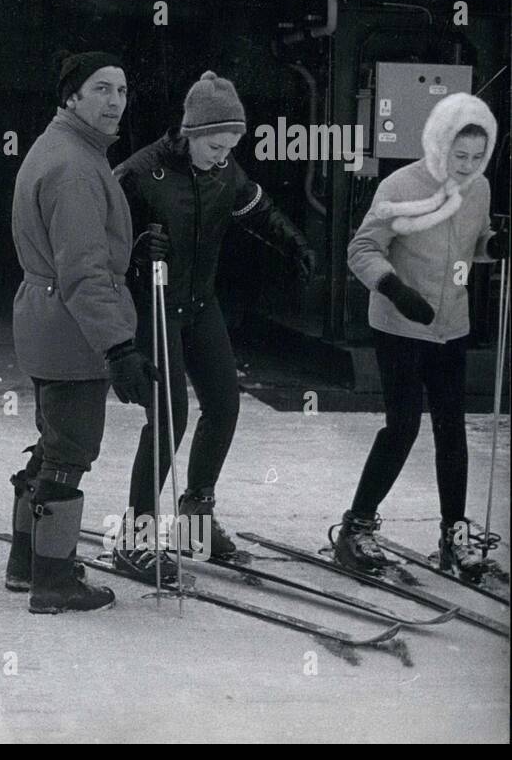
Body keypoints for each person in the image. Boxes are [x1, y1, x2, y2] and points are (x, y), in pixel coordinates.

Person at [113, 71, 315, 570]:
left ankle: (194, 521)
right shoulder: (139, 173)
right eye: (214, 146)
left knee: (224, 404)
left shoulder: (227, 172)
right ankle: (136, 535)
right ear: (191, 131)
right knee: (169, 417)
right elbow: (101, 238)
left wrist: (295, 242)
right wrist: (136, 253)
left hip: (200, 306)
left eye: (230, 146)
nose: (222, 156)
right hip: (154, 306)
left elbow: (257, 208)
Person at [4, 50, 153, 614]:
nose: (115, 101)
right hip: (73, 331)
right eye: (101, 89)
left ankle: (26, 563)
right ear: (71, 97)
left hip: (47, 320)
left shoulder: (65, 149)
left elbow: (82, 253)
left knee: (53, 445)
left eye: (121, 89)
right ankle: (53, 580)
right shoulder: (74, 166)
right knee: (70, 453)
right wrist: (118, 347)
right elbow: (85, 272)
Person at [334, 92, 506, 578]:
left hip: (450, 325)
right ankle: (357, 525)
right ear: (438, 145)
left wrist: (496, 246)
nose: (467, 166)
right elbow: (362, 248)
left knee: (452, 430)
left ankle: (454, 532)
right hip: (400, 324)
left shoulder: (480, 189)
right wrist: (393, 288)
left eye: (477, 157)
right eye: (459, 156)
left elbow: (475, 246)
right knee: (404, 425)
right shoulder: (400, 185)